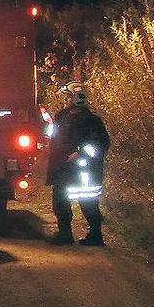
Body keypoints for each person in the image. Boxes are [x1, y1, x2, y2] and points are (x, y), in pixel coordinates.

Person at [45, 81, 110, 246]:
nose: (65, 100)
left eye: (67, 97)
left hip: (84, 172)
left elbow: (101, 144)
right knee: (60, 202)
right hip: (62, 169)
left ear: (75, 98)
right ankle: (64, 234)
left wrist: (80, 154)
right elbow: (54, 139)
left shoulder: (92, 121)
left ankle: (95, 235)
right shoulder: (61, 117)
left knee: (88, 203)